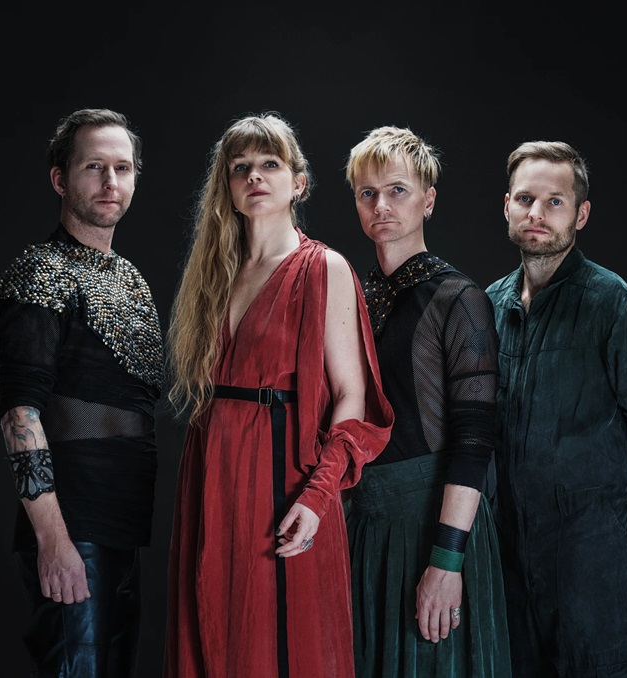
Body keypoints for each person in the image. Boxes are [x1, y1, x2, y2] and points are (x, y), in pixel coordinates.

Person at [161, 112, 394, 678]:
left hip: (286, 479)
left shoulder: (324, 268)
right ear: (227, 186)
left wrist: (317, 497)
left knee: (279, 642)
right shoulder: (214, 274)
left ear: (299, 182)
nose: (254, 176)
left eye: (270, 164)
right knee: (210, 625)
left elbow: (352, 396)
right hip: (212, 473)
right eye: (240, 167)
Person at [485, 140, 627, 677]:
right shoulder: (490, 306)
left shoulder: (610, 303)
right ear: (507, 206)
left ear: (581, 214)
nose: (537, 213)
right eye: (526, 199)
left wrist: (583, 470)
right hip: (507, 560)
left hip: (591, 562)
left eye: (555, 201)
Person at [0, 108, 164, 677]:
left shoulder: (130, 278)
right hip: (71, 527)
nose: (110, 182)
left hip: (122, 527)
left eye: (122, 168)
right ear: (60, 179)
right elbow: (19, 411)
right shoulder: (41, 271)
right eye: (93, 167)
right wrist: (53, 539)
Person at [342, 126, 512, 678]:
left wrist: (446, 561)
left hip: (436, 528)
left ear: (428, 200)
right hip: (365, 527)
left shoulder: (460, 298)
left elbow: (475, 442)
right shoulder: (350, 299)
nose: (381, 206)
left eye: (397, 190)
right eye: (368, 193)